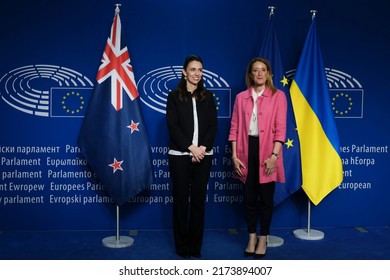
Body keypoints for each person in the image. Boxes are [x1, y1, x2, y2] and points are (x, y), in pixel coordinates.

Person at [228, 57, 287, 259]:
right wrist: (234, 156)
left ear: (269, 73)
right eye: (256, 70)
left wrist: (274, 156)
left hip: (268, 152)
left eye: (263, 70)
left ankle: (263, 237)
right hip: (246, 150)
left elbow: (281, 130)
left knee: (266, 200)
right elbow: (234, 128)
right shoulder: (240, 98)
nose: (260, 73)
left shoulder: (278, 96)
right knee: (250, 199)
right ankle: (251, 237)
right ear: (250, 74)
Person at [166, 55, 218, 258]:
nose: (197, 73)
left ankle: (195, 247)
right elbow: (173, 126)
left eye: (200, 70)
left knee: (198, 202)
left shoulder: (208, 96)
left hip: (204, 155)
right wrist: (191, 148)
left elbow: (213, 126)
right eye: (193, 69)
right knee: (180, 201)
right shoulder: (174, 96)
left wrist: (201, 148)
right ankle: (181, 247)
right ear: (184, 72)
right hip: (180, 155)